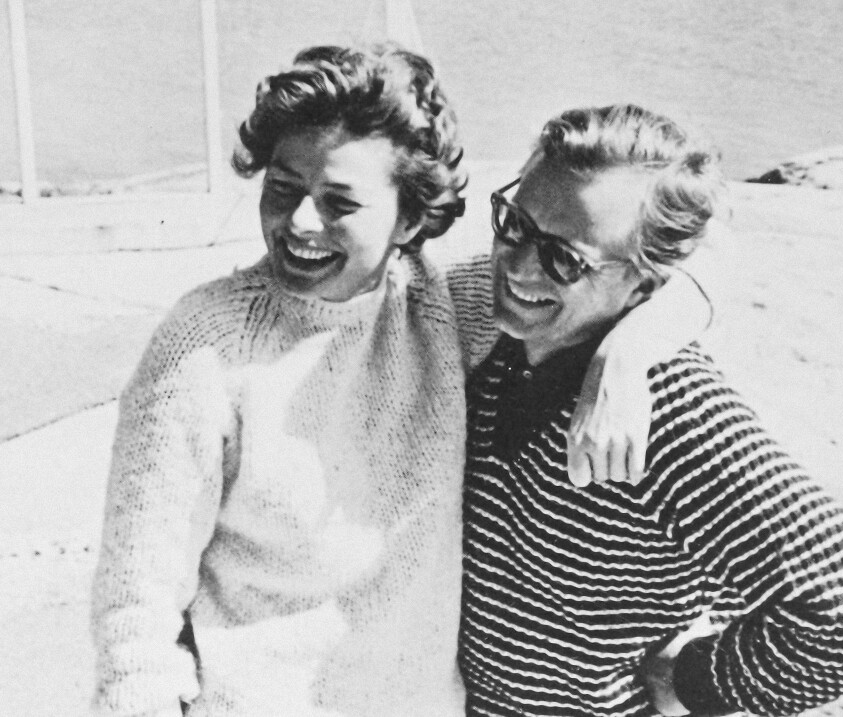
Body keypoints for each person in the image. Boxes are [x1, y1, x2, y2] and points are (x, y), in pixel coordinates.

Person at [90, 47, 709, 716]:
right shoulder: (205, 342)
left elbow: (678, 269)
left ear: (410, 221)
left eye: (339, 203)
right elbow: (135, 609)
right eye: (284, 188)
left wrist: (627, 352)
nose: (299, 223)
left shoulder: (441, 306)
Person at [458, 104, 843, 716]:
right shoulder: (494, 338)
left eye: (564, 259)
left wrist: (695, 682)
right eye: (513, 223)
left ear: (645, 285)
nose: (517, 265)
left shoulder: (667, 409)